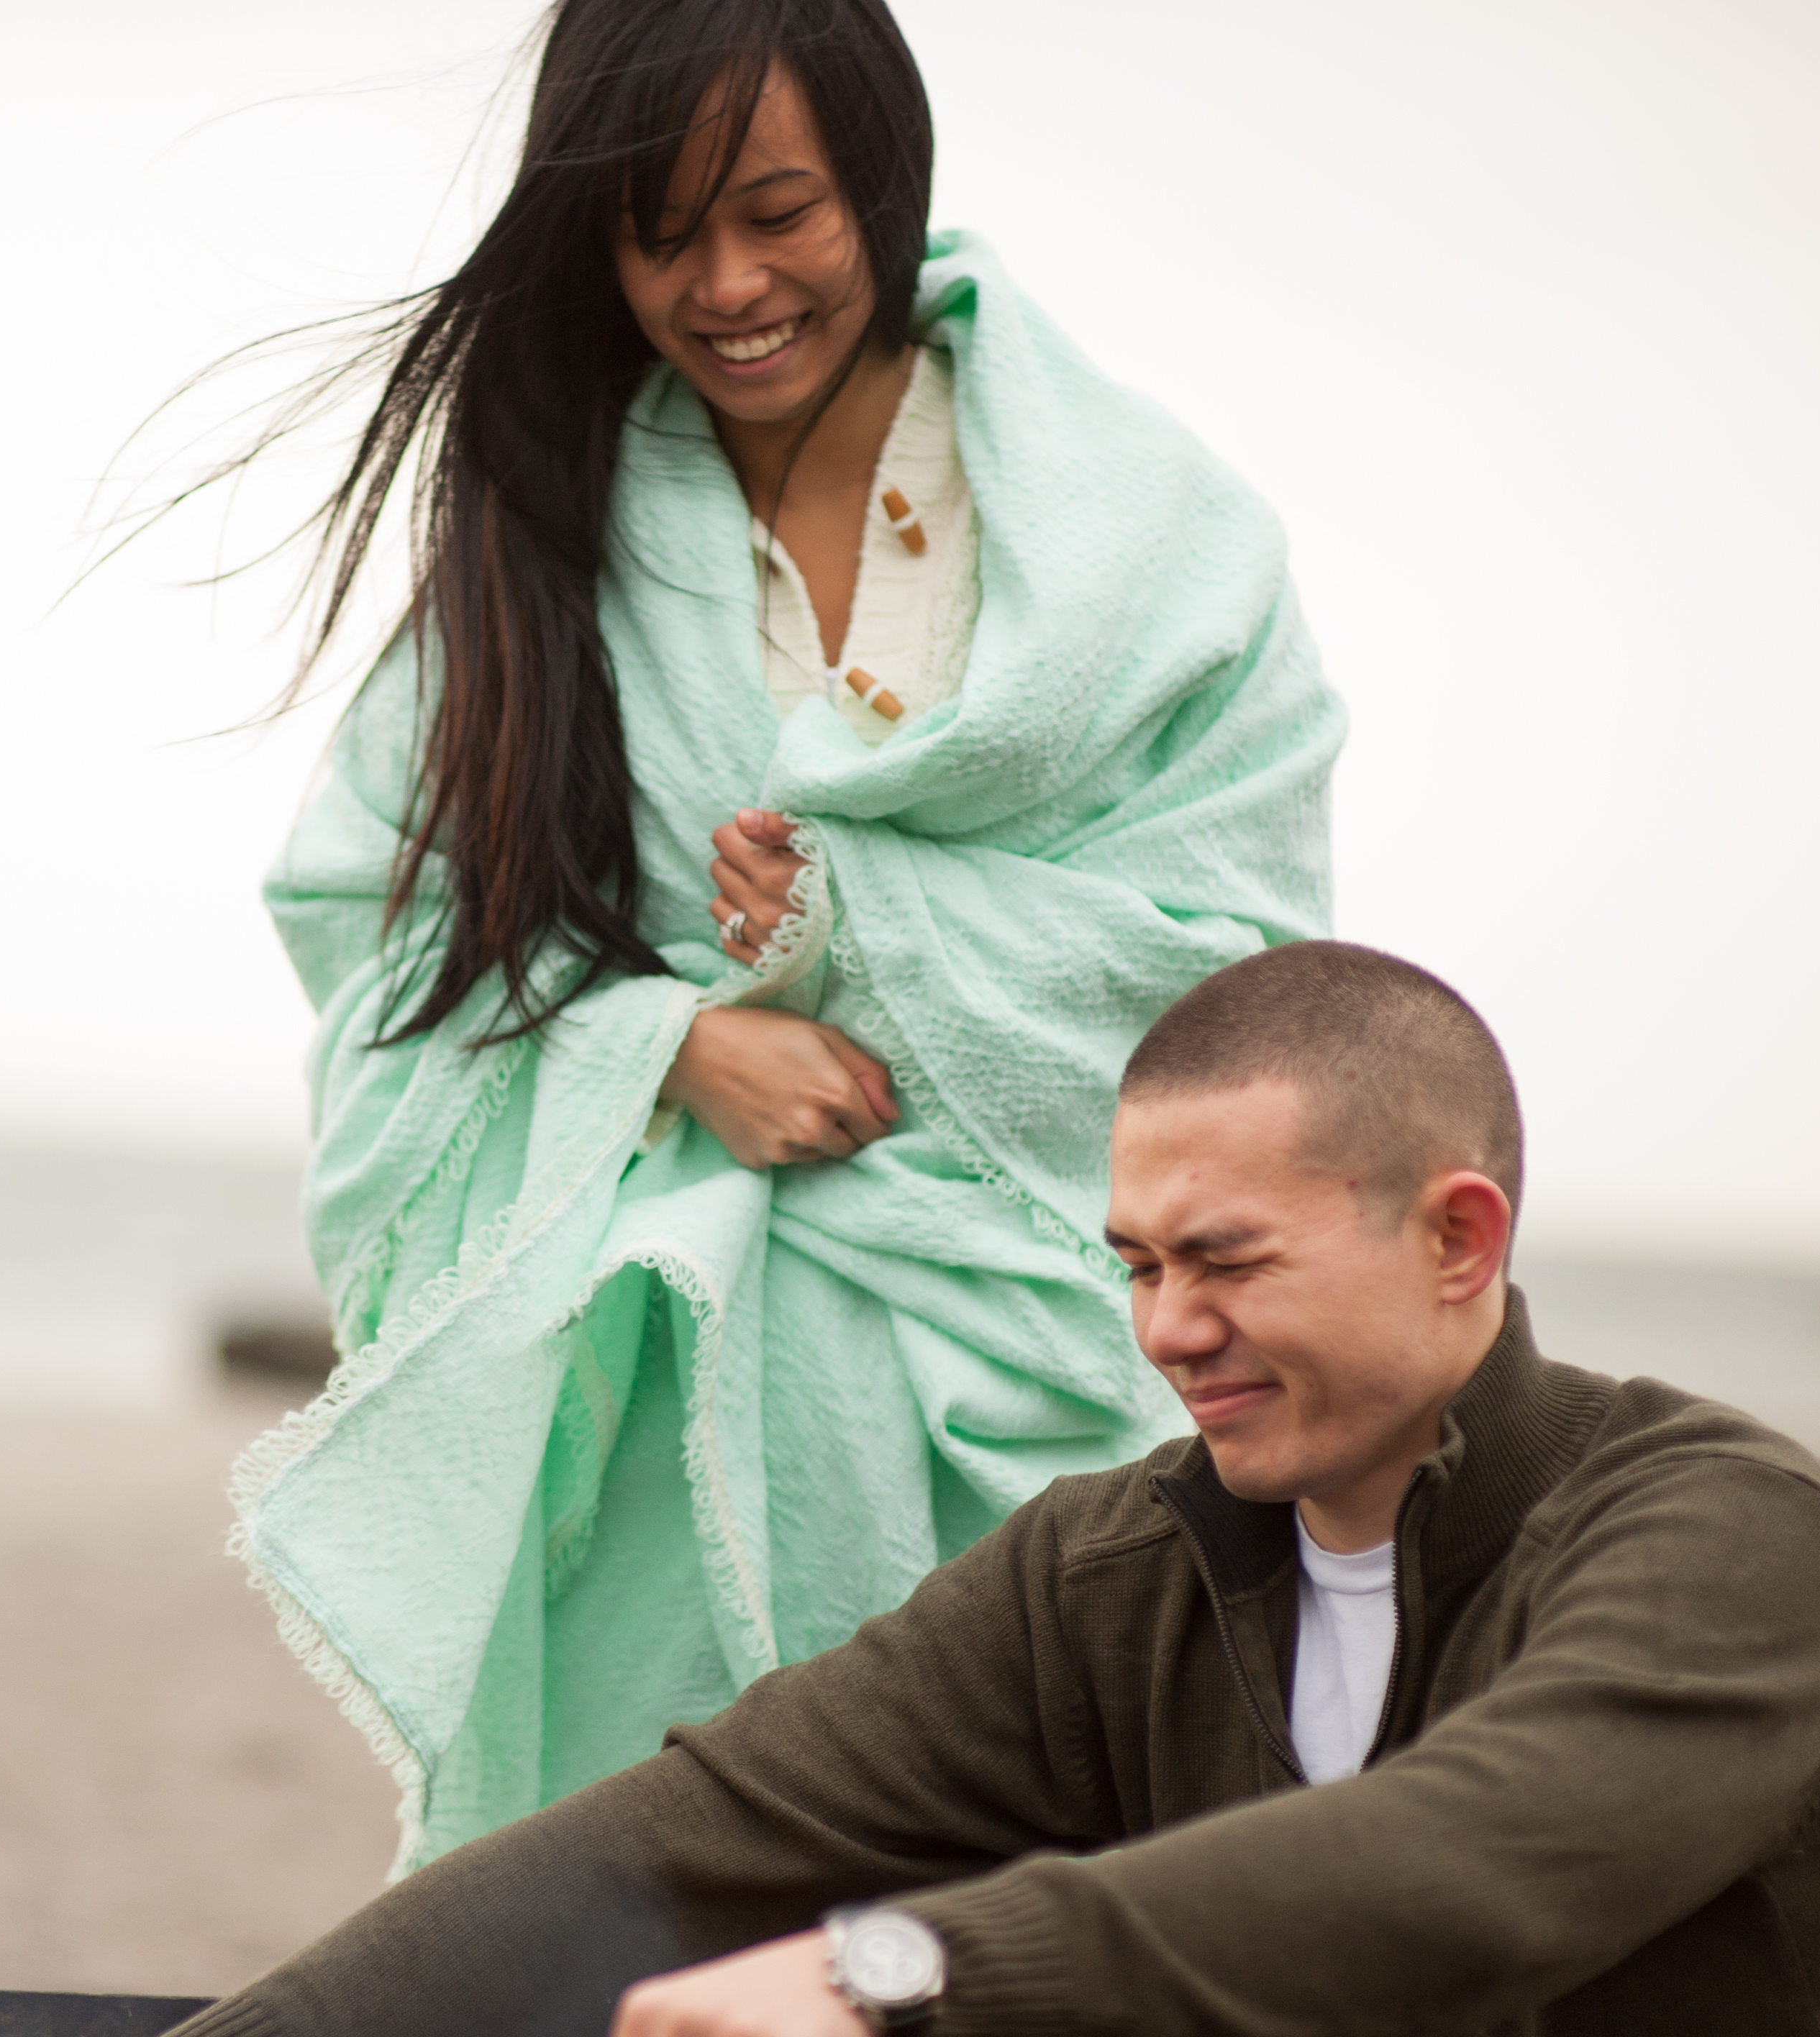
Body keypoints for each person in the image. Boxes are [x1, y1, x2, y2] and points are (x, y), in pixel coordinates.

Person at [227, 0, 1347, 1872]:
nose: (727, 285)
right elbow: (377, 928)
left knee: (1045, 1917)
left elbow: (1246, 980)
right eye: (661, 231)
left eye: (779, 213)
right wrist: (662, 1044)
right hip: (667, 1404)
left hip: (1065, 1385)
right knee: (652, 1928)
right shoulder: (541, 531)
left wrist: (871, 928)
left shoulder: (1158, 540)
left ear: (882, 185)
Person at [168, 942, 1820, 2036]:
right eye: (1137, 1264)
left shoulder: (1720, 1532)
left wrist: (898, 1974)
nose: (1168, 1330)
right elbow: (688, 1835)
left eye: (1225, 1260)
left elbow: (1465, 1869)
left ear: (1456, 1236)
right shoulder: (1111, 1572)